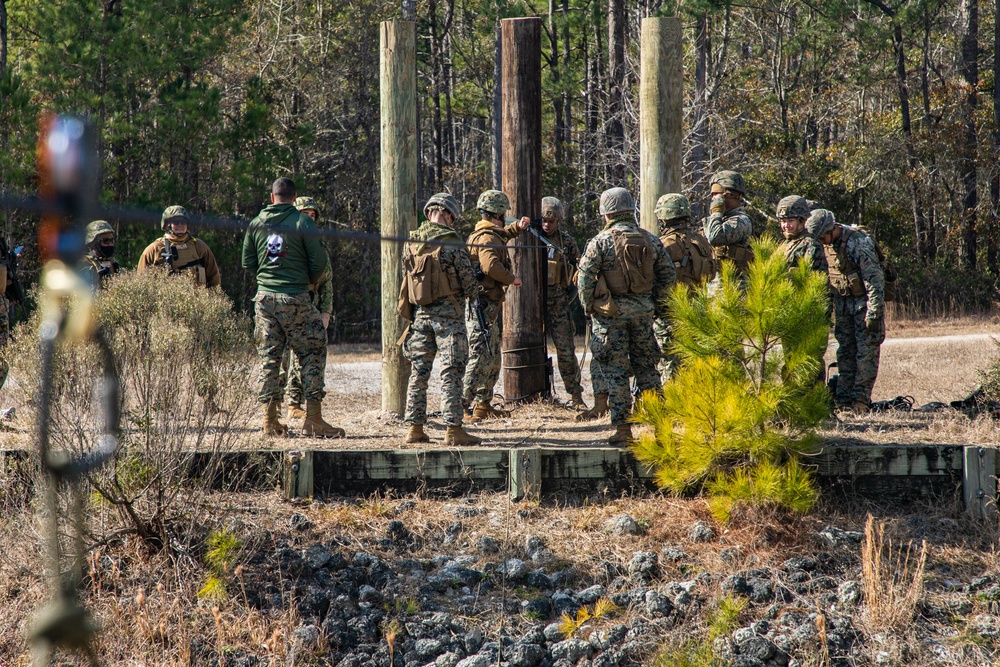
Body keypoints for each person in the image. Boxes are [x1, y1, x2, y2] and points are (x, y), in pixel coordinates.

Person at [242, 177, 344, 437]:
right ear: (294, 196)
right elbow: (320, 263)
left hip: (264, 299)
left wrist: (269, 276)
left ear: (272, 196)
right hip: (295, 296)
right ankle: (313, 419)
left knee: (270, 359)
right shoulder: (302, 222)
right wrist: (301, 279)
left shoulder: (256, 223)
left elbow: (248, 263)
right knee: (312, 350)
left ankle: (269, 421)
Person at [577, 187, 676, 444]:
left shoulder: (600, 241)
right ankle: (661, 428)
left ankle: (623, 431)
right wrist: (654, 304)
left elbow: (585, 278)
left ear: (606, 214)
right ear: (631, 210)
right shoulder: (651, 239)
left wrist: (589, 307)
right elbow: (668, 276)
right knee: (648, 370)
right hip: (643, 314)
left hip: (611, 318)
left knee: (616, 373)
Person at [399, 193, 482, 445]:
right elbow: (468, 283)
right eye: (452, 217)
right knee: (451, 373)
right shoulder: (452, 242)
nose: (452, 222)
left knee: (418, 374)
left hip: (420, 316)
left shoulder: (411, 242)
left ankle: (415, 429)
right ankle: (453, 430)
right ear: (446, 214)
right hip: (449, 319)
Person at [806, 209, 885, 413]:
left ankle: (860, 401)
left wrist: (874, 312)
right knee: (845, 353)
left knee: (865, 354)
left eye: (823, 236)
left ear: (831, 229)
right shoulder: (826, 245)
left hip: (863, 305)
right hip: (843, 305)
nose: (822, 242)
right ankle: (843, 400)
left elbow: (874, 280)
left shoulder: (858, 242)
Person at [463, 189, 530, 422]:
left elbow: (501, 238)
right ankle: (462, 405)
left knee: (492, 357)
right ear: (498, 214)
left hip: (487, 305)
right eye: (503, 215)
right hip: (483, 306)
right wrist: (513, 278)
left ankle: (483, 405)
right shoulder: (487, 237)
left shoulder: (486, 234)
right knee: (480, 356)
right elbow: (491, 265)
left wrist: (517, 229)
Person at [278, 196, 334, 420]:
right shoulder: (283, 241)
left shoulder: (318, 245)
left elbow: (327, 282)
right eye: (305, 214)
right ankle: (280, 408)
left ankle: (297, 405)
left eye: (313, 215)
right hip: (285, 308)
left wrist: (326, 311)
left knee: (307, 357)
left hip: (312, 308)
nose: (309, 219)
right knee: (284, 360)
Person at [654, 193, 716, 383]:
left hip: (669, 315)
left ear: (664, 217)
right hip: (697, 311)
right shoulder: (702, 242)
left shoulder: (663, 244)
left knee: (670, 367)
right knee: (693, 366)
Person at [540, 196, 586, 409]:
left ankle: (575, 395)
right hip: (531, 305)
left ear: (558, 221)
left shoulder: (566, 242)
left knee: (566, 350)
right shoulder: (529, 237)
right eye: (543, 221)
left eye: (551, 221)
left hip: (558, 303)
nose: (546, 225)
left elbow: (580, 268)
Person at [138, 205, 222, 288]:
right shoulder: (154, 249)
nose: (180, 225)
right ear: (167, 224)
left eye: (183, 222)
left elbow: (214, 277)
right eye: (176, 222)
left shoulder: (199, 246)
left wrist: (212, 299)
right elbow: (141, 283)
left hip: (197, 300)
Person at [703, 170, 753, 279]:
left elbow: (715, 237)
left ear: (730, 195)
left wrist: (716, 212)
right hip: (715, 288)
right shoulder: (720, 220)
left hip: (734, 288)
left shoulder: (741, 221)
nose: (713, 199)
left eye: (716, 194)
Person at [777, 196, 827, 273]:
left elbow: (815, 278)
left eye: (791, 221)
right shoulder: (784, 243)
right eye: (783, 221)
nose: (786, 225)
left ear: (801, 221)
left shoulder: (811, 244)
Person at [80, 220, 121, 289]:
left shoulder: (113, 264)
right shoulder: (84, 264)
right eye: (106, 241)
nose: (111, 244)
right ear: (94, 243)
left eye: (112, 240)